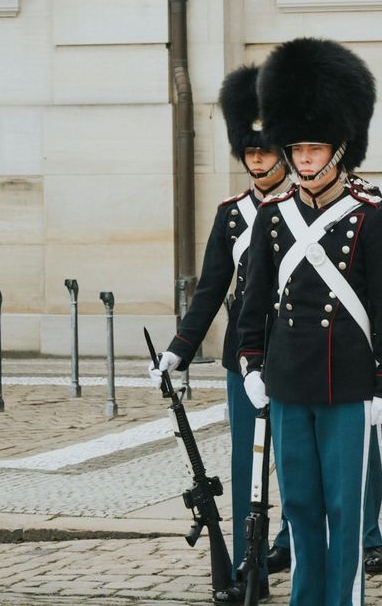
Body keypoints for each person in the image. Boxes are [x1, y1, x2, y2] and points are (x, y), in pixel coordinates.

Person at [234, 37, 382, 606]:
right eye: (299, 149)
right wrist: (253, 363)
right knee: (302, 505)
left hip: (346, 384)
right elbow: (254, 303)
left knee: (343, 505)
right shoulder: (273, 218)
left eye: (316, 148)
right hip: (288, 383)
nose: (305, 159)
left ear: (340, 150)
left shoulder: (370, 221)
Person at [147, 63, 289, 598]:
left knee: (291, 460)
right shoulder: (233, 214)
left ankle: (291, 540)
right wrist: (178, 350)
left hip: (293, 348)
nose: (256, 158)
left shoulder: (301, 208)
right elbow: (210, 289)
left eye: (264, 149)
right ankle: (249, 561)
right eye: (249, 151)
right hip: (243, 356)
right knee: (244, 460)